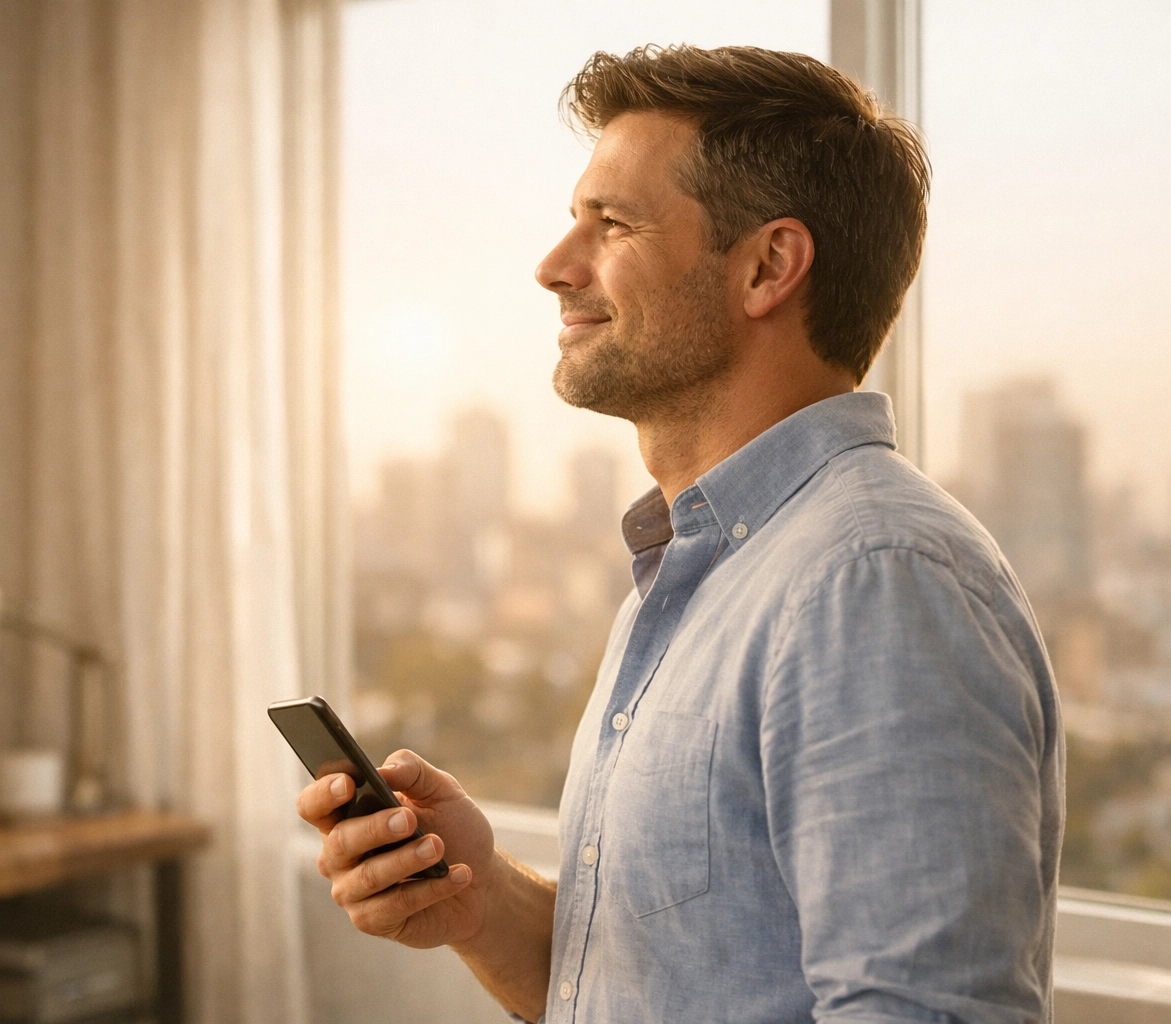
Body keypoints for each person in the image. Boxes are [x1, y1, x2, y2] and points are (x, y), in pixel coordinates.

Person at [298, 44, 1062, 1024]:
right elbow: (662, 988)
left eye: (609, 224)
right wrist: (477, 898)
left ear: (767, 266)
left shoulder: (870, 582)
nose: (552, 266)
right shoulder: (706, 568)